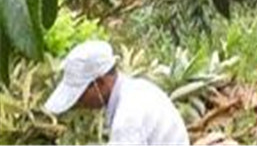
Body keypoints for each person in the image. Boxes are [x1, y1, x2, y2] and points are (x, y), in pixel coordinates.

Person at [44, 40, 189, 145]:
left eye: (81, 94)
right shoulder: (138, 89)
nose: (79, 101)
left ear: (99, 83)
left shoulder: (128, 116)